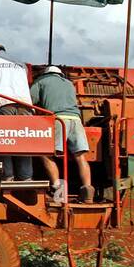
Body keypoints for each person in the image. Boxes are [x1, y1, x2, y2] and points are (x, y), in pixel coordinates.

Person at [31, 65, 94, 204]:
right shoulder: (69, 84)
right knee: (80, 156)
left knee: (46, 155)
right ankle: (88, 191)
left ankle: (57, 192)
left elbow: (30, 102)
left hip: (58, 119)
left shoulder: (41, 81)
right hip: (76, 120)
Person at [0, 45, 34, 182]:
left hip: (2, 102)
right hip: (25, 104)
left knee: (4, 140)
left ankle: (8, 175)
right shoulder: (21, 64)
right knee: (24, 141)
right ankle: (26, 176)